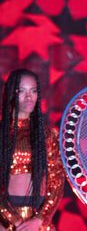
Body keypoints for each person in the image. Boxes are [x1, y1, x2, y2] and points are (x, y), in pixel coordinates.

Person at [0, 69, 64, 231]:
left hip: (39, 220)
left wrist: (41, 218)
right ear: (11, 94)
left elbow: (56, 179)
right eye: (22, 91)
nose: (29, 97)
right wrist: (15, 221)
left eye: (33, 91)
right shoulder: (2, 133)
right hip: (6, 219)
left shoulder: (46, 134)